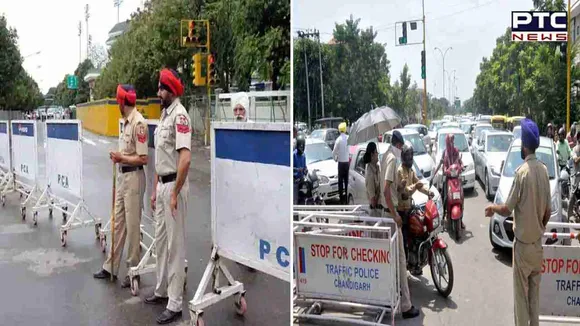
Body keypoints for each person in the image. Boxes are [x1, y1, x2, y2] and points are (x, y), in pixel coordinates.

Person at [485, 118, 550, 326]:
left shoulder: (521, 173)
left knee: (521, 300)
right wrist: (539, 226)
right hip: (537, 246)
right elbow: (548, 212)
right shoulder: (544, 171)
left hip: (522, 248)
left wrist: (491, 208)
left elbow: (506, 209)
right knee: (535, 299)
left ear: (524, 146)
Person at [145, 68, 191, 325]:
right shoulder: (163, 116)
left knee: (175, 247)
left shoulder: (180, 116)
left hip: (175, 186)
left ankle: (174, 303)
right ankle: (161, 290)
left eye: (162, 88)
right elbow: (160, 159)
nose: (158, 92)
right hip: (162, 185)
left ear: (171, 90)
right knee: (160, 242)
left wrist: (173, 193)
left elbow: (184, 159)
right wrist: (155, 190)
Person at [93, 84, 148, 288]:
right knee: (117, 223)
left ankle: (134, 271)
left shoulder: (138, 123)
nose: (117, 103)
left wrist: (120, 157)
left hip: (134, 178)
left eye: (118, 100)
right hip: (123, 177)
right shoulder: (125, 122)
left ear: (123, 102)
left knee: (133, 227)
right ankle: (110, 267)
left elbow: (143, 158)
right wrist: (119, 160)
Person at [380, 130, 420, 319]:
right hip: (391, 215)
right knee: (400, 260)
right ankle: (405, 306)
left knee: (392, 259)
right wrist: (395, 214)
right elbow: (386, 190)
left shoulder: (384, 157)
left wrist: (402, 185)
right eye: (401, 147)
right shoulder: (391, 159)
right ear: (397, 145)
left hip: (387, 213)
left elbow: (393, 188)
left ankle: (392, 297)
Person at [396, 142, 434, 273]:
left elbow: (419, 184)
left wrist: (428, 192)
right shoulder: (400, 171)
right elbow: (405, 191)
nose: (410, 157)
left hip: (410, 208)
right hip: (401, 212)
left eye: (411, 155)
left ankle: (417, 261)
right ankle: (405, 266)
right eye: (408, 155)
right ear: (403, 156)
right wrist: (414, 187)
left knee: (420, 232)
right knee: (405, 241)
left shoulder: (411, 171)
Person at [432, 134, 465, 229]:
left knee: (461, 197)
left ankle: (461, 220)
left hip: (456, 178)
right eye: (450, 141)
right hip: (448, 179)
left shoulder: (456, 151)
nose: (452, 143)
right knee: (444, 196)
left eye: (453, 141)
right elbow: (443, 165)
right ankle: (442, 217)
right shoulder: (444, 153)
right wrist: (444, 170)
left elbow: (459, 161)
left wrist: (462, 166)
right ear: (447, 142)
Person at [332, 122, 349, 204]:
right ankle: (346, 199)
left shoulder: (338, 140)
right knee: (347, 182)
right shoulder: (348, 138)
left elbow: (334, 152)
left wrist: (335, 158)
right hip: (347, 163)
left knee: (340, 182)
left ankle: (341, 199)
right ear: (345, 129)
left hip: (341, 163)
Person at [363, 142, 381, 215]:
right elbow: (373, 202)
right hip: (375, 211)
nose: (378, 154)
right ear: (372, 155)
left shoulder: (377, 166)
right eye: (376, 152)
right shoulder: (370, 173)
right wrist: (380, 190)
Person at [293, 134, 307, 204]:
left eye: (302, 146)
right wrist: (297, 169)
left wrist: (306, 170)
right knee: (295, 199)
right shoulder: (294, 155)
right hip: (295, 180)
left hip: (302, 179)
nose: (301, 148)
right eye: (300, 146)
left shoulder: (303, 155)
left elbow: (305, 167)